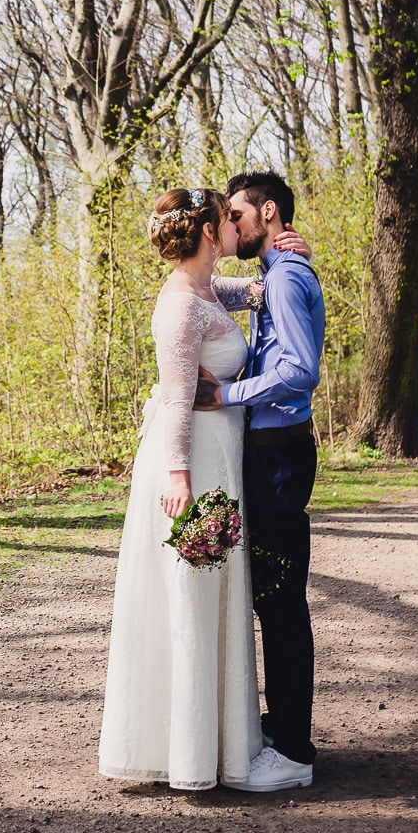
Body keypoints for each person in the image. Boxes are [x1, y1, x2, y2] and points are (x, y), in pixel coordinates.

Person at [98, 186, 314, 793]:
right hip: (193, 462)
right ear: (206, 230)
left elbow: (250, 292)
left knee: (221, 595)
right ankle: (195, 751)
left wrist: (287, 258)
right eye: (226, 219)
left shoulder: (202, 290)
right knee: (195, 596)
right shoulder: (177, 306)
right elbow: (175, 399)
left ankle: (226, 737)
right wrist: (177, 477)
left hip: (223, 457)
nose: (232, 227)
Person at [195, 170, 325, 792]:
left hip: (279, 459)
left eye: (239, 217)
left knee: (280, 605)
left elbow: (300, 371)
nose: (233, 227)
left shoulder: (290, 275)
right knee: (269, 598)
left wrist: (227, 393)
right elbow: (197, 291)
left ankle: (295, 752)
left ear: (268, 212)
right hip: (266, 456)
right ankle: (282, 728)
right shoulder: (274, 275)